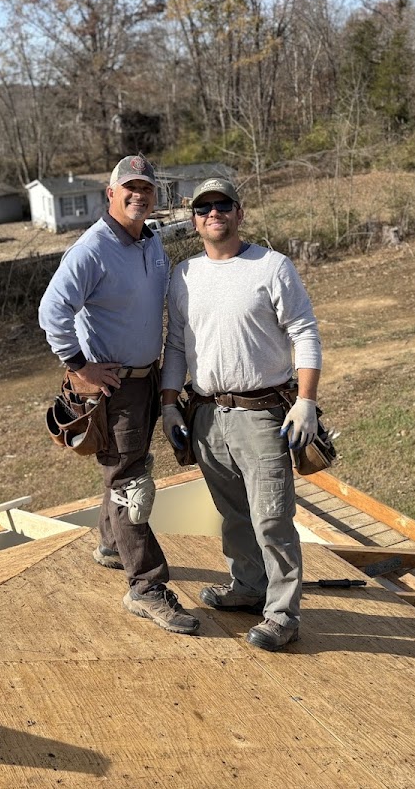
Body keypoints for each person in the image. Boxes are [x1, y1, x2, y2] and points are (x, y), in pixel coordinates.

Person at [38, 154, 199, 635]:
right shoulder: (91, 250)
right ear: (110, 194)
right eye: (129, 188)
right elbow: (52, 312)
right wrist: (80, 364)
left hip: (145, 379)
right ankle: (146, 587)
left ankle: (111, 545)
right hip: (112, 387)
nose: (138, 195)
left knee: (125, 471)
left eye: (146, 189)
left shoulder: (150, 243)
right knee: (133, 486)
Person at [160, 177, 322, 651]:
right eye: (204, 207)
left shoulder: (271, 266)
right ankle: (249, 588)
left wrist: (306, 401)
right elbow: (174, 345)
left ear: (239, 213)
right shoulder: (183, 275)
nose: (214, 213)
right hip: (207, 414)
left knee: (272, 518)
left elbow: (305, 333)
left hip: (262, 414)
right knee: (233, 516)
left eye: (223, 205)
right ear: (193, 220)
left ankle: (283, 615)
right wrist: (170, 404)